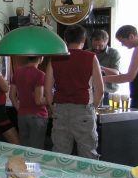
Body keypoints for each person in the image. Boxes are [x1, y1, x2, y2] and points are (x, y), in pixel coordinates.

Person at [45, 25, 104, 159]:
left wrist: (53, 108)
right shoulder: (90, 57)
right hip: (83, 110)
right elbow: (100, 90)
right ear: (84, 40)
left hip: (60, 109)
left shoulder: (55, 58)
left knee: (60, 154)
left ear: (65, 40)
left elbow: (47, 89)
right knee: (88, 153)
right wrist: (93, 108)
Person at [103, 25, 138, 125]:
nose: (122, 45)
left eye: (123, 41)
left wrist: (101, 78)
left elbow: (129, 77)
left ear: (131, 36)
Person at [9, 56, 48, 149]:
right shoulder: (40, 74)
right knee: (36, 150)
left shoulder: (17, 72)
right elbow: (39, 100)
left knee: (24, 149)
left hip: (22, 116)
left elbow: (11, 96)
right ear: (41, 58)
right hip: (37, 116)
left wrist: (19, 109)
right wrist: (52, 98)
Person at [89, 29, 121, 105]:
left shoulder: (113, 53)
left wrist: (98, 67)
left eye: (100, 45)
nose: (97, 48)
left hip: (109, 92)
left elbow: (116, 73)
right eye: (94, 45)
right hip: (91, 91)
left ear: (106, 42)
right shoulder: (87, 53)